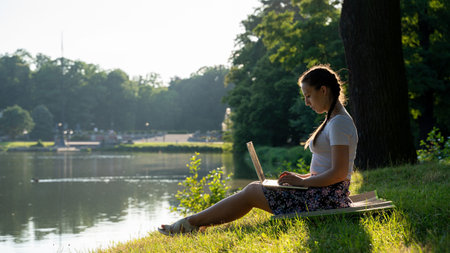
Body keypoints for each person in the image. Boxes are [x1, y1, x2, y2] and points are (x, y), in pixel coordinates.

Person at [158, 65, 358, 236]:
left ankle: (190, 224)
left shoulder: (338, 123)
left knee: (253, 190)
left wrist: (303, 182)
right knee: (255, 186)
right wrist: (299, 178)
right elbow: (327, 169)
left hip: (326, 199)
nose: (306, 102)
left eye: (308, 96)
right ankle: (195, 224)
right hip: (320, 194)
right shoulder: (334, 120)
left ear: (323, 90)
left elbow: (339, 173)